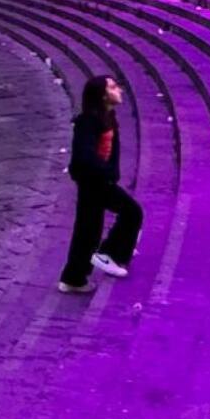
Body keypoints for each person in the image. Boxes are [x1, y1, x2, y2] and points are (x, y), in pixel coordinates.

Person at [58, 75, 143, 294]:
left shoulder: (108, 117)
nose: (120, 91)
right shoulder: (88, 122)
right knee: (132, 212)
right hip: (94, 181)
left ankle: (73, 279)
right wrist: (106, 174)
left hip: (98, 179)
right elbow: (84, 155)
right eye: (114, 88)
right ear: (103, 95)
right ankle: (109, 254)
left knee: (88, 230)